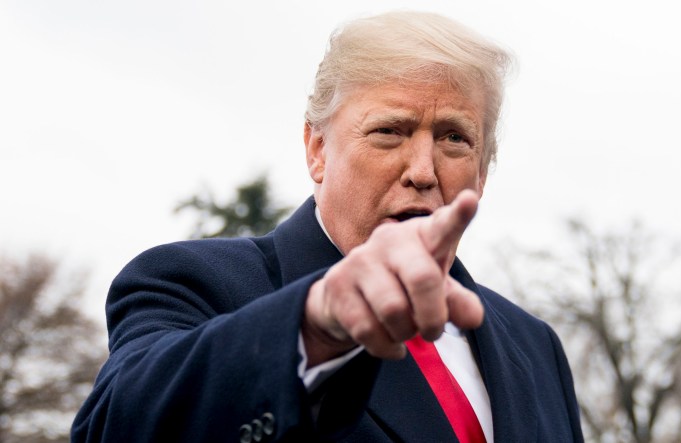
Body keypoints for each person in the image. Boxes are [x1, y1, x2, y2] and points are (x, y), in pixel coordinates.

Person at [72, 11, 583, 443]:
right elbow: (114, 424)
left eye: (454, 138)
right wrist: (314, 327)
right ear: (317, 149)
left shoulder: (537, 347)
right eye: (389, 131)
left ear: (482, 173)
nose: (423, 170)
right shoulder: (193, 283)